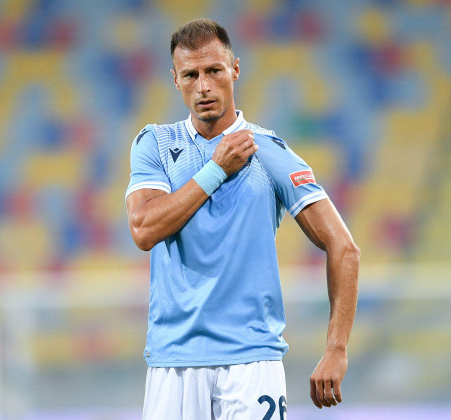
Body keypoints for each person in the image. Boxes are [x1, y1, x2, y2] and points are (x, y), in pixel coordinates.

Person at [125, 18, 360, 419]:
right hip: (174, 360)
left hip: (252, 361)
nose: (203, 86)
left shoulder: (270, 151)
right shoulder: (156, 144)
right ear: (175, 80)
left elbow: (344, 248)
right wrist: (216, 170)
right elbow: (144, 229)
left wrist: (336, 349)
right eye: (191, 75)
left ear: (235, 68)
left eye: (213, 71)